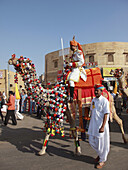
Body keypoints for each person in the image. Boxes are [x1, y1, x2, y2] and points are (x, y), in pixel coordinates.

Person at [88, 84, 110, 169]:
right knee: (91, 141)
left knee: (101, 143)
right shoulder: (93, 100)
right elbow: (92, 111)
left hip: (101, 125)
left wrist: (103, 126)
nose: (96, 92)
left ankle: (102, 160)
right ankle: (101, 154)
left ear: (101, 91)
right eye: (95, 90)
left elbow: (106, 114)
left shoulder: (104, 101)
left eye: (97, 90)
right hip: (93, 124)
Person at [65, 36, 87, 102]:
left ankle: (71, 97)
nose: (71, 47)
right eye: (71, 46)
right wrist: (67, 65)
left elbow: (81, 62)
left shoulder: (78, 52)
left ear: (75, 46)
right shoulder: (73, 54)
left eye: (72, 46)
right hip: (73, 69)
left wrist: (73, 64)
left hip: (78, 69)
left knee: (71, 80)